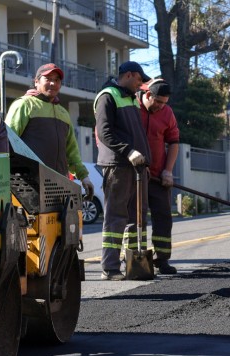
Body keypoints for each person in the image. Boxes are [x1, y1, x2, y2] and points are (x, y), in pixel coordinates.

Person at [95, 61, 152, 280]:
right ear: (128, 75)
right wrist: (128, 152)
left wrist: (145, 163)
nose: (140, 85)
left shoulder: (132, 99)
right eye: (139, 80)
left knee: (137, 217)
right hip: (117, 165)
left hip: (136, 166)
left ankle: (134, 265)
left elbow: (137, 134)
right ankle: (109, 268)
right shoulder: (107, 96)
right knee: (115, 217)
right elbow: (105, 133)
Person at [4, 63, 94, 196]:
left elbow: (71, 152)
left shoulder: (63, 113)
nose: (53, 83)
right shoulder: (24, 105)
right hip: (29, 188)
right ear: (36, 82)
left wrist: (84, 176)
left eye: (57, 80)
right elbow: (6, 143)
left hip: (60, 186)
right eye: (48, 79)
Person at [137, 79, 179, 275]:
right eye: (159, 102)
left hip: (158, 177)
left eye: (165, 102)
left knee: (163, 217)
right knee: (136, 218)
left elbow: (174, 142)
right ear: (147, 96)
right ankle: (135, 259)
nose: (162, 106)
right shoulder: (131, 107)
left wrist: (168, 171)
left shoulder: (167, 113)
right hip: (136, 176)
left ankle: (161, 260)